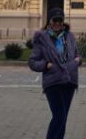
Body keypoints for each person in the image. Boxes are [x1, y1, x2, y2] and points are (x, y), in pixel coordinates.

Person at [29, 8, 81, 139]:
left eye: (60, 20)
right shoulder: (42, 38)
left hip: (69, 81)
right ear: (49, 21)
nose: (57, 23)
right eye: (55, 20)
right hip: (53, 82)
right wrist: (45, 65)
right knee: (59, 117)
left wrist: (77, 60)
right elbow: (32, 62)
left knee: (63, 120)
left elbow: (77, 53)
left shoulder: (69, 36)